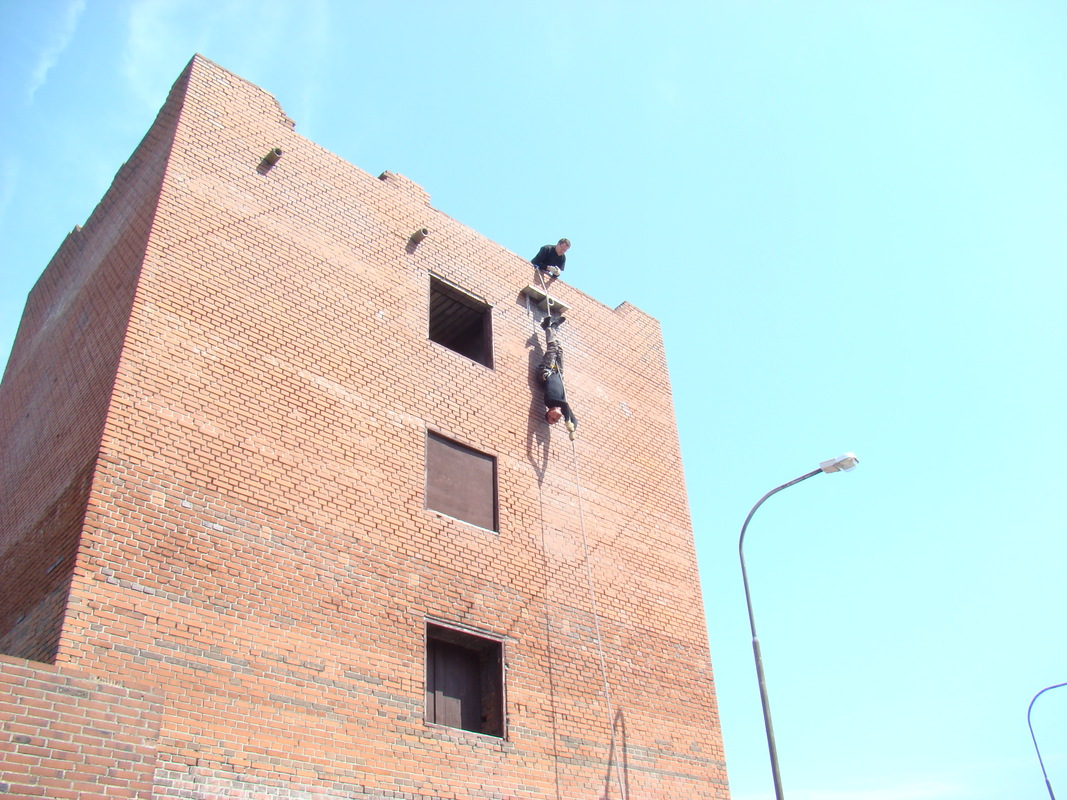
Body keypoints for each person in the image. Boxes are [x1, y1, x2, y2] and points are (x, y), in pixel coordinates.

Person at [538, 314, 577, 436]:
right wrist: (572, 430)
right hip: (558, 372)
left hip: (547, 370)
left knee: (553, 348)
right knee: (559, 351)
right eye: (556, 421)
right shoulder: (562, 405)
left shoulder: (549, 401)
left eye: (553, 419)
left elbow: (564, 405)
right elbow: (574, 420)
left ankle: (550, 327)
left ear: (550, 412)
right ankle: (550, 326)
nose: (557, 419)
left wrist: (567, 421)